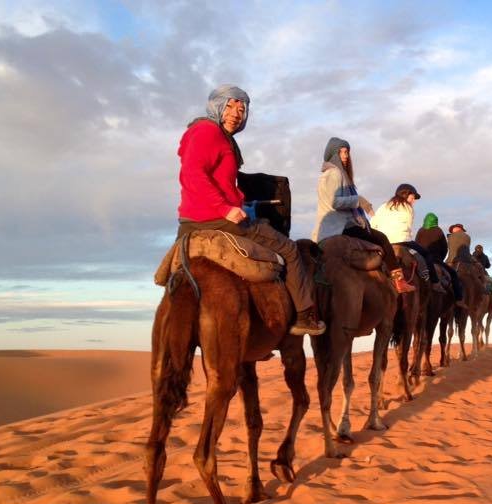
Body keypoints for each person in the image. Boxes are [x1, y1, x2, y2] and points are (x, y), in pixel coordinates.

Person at [177, 85, 324, 335]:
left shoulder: (214, 135)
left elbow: (218, 179)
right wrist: (225, 208)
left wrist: (238, 201)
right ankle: (304, 315)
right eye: (231, 106)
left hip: (194, 219)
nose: (237, 113)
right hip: (216, 219)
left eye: (242, 109)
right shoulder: (207, 131)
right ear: (217, 106)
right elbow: (192, 174)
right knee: (288, 249)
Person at [312, 137, 414, 293]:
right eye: (343, 152)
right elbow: (334, 202)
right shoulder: (335, 173)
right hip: (341, 226)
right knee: (381, 239)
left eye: (347, 152)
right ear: (335, 153)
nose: (346, 156)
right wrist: (357, 200)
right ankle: (399, 281)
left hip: (330, 227)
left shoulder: (327, 174)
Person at [416, 212, 464, 304]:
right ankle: (459, 299)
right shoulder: (438, 230)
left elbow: (417, 244)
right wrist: (440, 260)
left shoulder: (420, 230)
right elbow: (444, 248)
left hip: (421, 259)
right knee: (453, 274)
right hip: (435, 259)